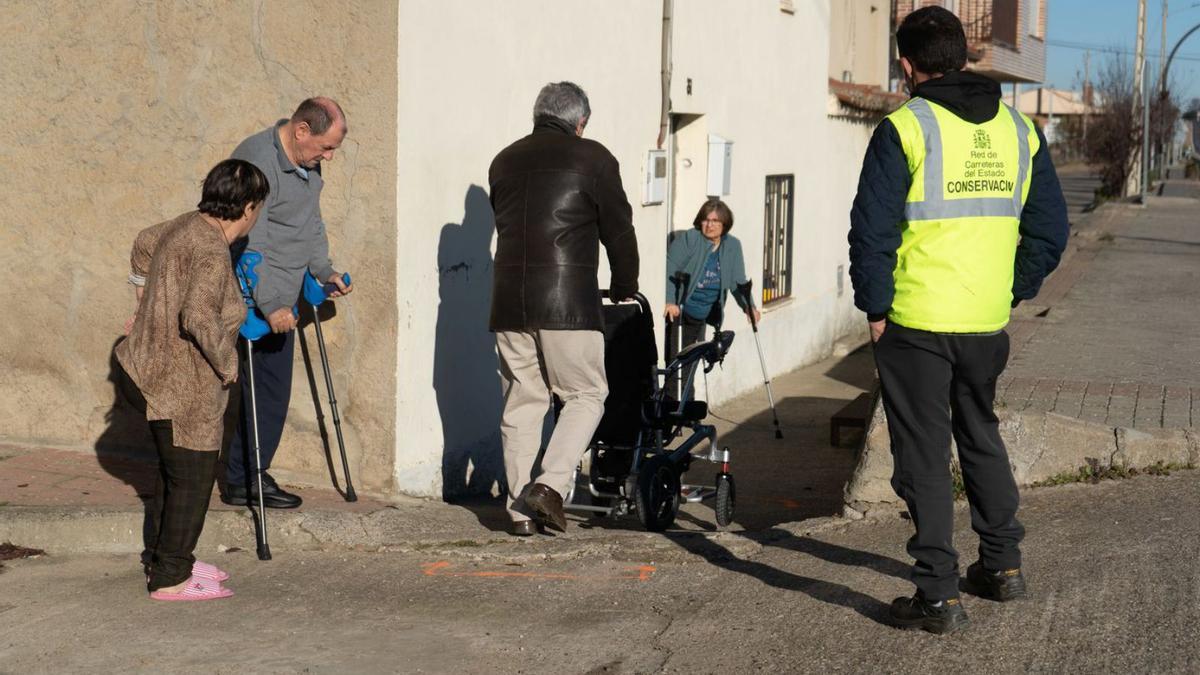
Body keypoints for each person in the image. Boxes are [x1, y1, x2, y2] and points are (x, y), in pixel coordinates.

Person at [848, 7, 1069, 633]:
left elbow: (872, 232)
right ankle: (1002, 567)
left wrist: (876, 307)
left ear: (906, 64)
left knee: (922, 457)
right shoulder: (1020, 131)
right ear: (965, 57)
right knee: (981, 437)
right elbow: (1050, 232)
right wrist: (1009, 290)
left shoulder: (906, 127)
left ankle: (938, 595)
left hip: (915, 324)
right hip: (984, 323)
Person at [488, 81, 640, 536]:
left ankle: (519, 514)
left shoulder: (503, 160)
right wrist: (625, 284)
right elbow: (619, 228)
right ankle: (550, 486)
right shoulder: (593, 157)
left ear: (538, 115)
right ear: (580, 122)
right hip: (568, 302)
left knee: (522, 400)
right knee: (586, 395)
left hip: (508, 301)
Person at [118, 159, 269, 600]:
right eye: (256, 209)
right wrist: (228, 364)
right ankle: (171, 577)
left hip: (146, 366)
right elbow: (198, 315)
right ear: (247, 208)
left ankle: (169, 555)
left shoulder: (187, 224)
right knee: (193, 476)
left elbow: (145, 242)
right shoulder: (209, 249)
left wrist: (145, 295)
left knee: (173, 471)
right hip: (178, 380)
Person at [221, 97, 354, 510]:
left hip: (285, 293)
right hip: (256, 295)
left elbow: (310, 223)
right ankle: (245, 479)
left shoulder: (305, 164)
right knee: (263, 391)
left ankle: (248, 475)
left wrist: (323, 269)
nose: (328, 157)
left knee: (270, 391)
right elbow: (249, 240)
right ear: (300, 131)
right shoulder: (257, 161)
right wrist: (273, 303)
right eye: (325, 146)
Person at [663, 198, 760, 396]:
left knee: (692, 364)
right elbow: (670, 268)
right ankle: (672, 413)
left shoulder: (732, 246)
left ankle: (687, 410)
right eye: (706, 220)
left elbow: (737, 281)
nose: (710, 225)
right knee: (676, 363)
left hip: (705, 314)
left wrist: (748, 306)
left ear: (725, 224)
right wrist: (671, 301)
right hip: (683, 311)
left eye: (716, 221)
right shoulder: (690, 239)